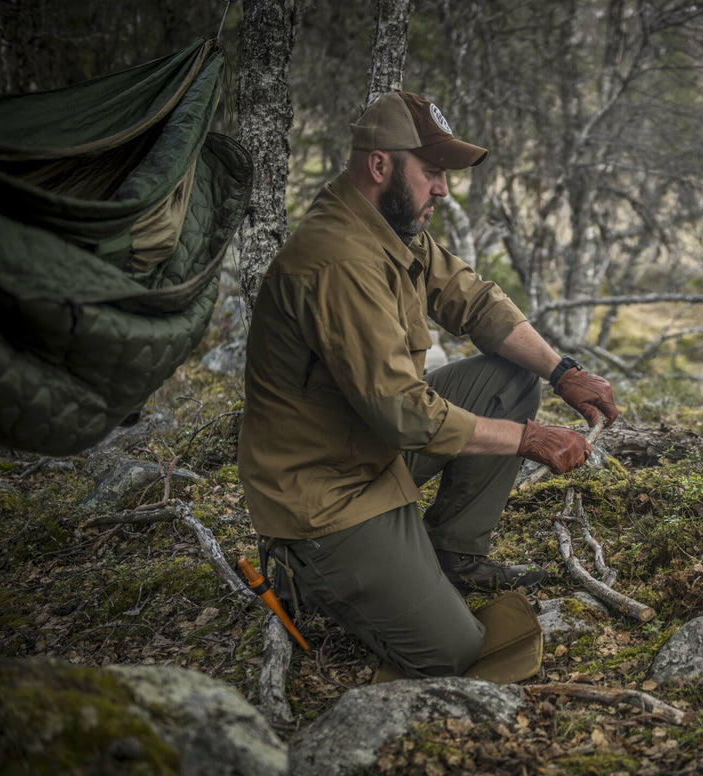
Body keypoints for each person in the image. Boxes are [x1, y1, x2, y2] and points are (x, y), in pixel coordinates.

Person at [237, 90, 618, 679]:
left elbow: (472, 299)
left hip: (373, 448)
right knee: (452, 652)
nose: (443, 188)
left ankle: (454, 557)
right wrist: (529, 439)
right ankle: (302, 570)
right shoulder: (338, 260)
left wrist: (563, 372)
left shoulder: (388, 226)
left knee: (510, 374)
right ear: (380, 165)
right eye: (432, 172)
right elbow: (403, 414)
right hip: (327, 495)